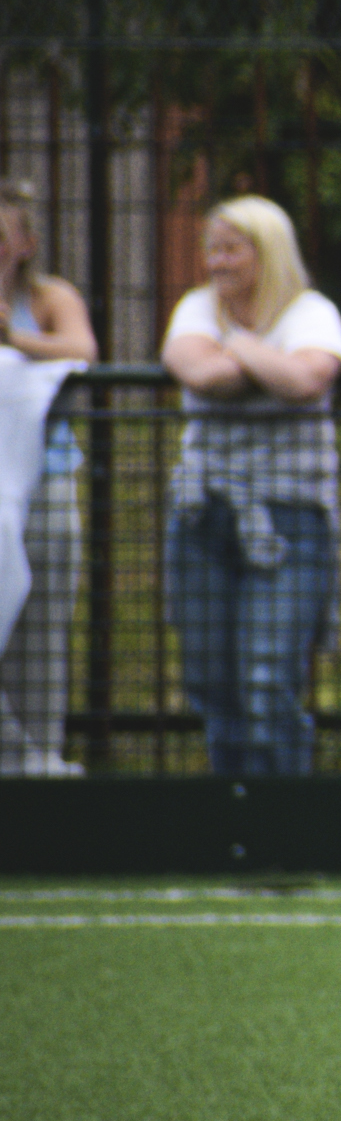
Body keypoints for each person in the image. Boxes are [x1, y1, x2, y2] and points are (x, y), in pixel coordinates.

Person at [161, 196, 341, 776]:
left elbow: (305, 379)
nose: (217, 263)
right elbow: (201, 373)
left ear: (266, 253)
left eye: (231, 249)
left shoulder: (312, 311)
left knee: (267, 675)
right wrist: (266, 363)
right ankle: (235, 826)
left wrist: (242, 346)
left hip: (290, 513)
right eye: (211, 249)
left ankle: (281, 827)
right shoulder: (196, 307)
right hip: (204, 511)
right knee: (209, 674)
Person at [0, 182, 94, 777]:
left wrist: (14, 339)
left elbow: (80, 347)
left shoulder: (49, 296)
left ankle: (41, 761)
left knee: (41, 632)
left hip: (47, 484)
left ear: (26, 244)